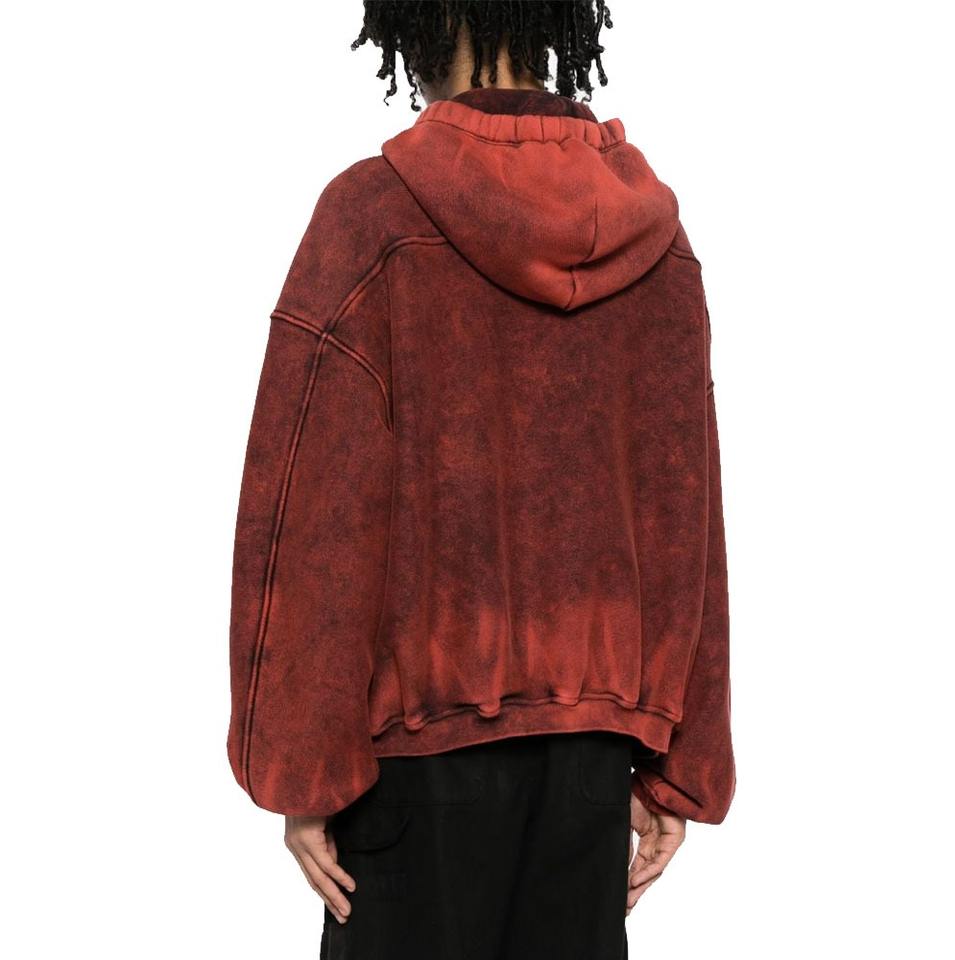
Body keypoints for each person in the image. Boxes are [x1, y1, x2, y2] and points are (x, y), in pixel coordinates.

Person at [226, 2, 735, 957]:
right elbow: (687, 512)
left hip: (410, 773)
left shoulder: (373, 217)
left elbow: (308, 510)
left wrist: (301, 767)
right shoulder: (658, 241)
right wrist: (684, 759)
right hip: (591, 769)